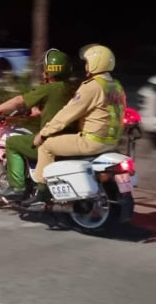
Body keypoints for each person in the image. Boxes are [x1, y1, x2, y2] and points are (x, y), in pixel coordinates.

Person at [25, 44, 126, 206]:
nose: (85, 66)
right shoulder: (116, 86)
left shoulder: (92, 87)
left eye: (87, 62)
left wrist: (43, 133)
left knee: (46, 146)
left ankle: (42, 191)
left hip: (91, 142)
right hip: (112, 141)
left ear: (95, 63)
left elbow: (67, 113)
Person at [0, 48, 76, 200]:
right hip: (71, 139)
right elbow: (39, 111)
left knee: (12, 143)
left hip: (51, 140)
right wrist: (27, 113)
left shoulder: (49, 88)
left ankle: (17, 187)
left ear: (49, 70)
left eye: (45, 69)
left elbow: (18, 101)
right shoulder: (72, 88)